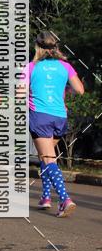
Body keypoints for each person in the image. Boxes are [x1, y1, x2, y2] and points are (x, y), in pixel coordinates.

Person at [26, 31, 84, 216]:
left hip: (40, 117)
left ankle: (65, 199)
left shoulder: (31, 67)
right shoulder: (65, 67)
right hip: (60, 117)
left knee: (48, 158)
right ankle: (45, 197)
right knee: (47, 156)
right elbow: (80, 90)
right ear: (55, 47)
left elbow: (19, 93)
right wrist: (62, 91)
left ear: (38, 47)